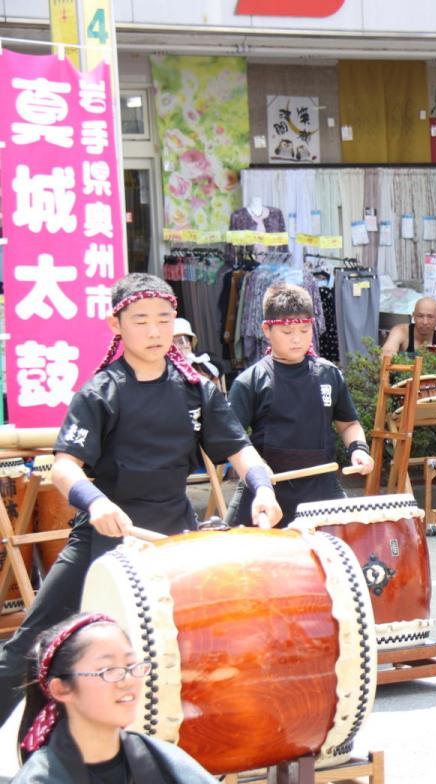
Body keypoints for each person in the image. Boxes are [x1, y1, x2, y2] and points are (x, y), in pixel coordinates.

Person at [0, 273, 283, 733]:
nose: (155, 331)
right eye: (141, 321)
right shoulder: (100, 392)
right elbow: (64, 466)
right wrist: (95, 503)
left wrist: (262, 487)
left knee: (197, 645)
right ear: (115, 324)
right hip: (103, 538)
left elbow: (240, 449)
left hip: (172, 538)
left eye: (164, 320)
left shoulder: (197, 388)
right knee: (31, 646)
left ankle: (202, 744)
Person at [4, 613, 230, 784]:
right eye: (108, 670)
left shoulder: (162, 760)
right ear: (62, 689)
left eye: (132, 665)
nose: (127, 679)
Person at [226, 283, 373, 527]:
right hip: (268, 489)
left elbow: (349, 424)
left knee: (347, 550)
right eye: (287, 332)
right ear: (267, 329)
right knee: (229, 551)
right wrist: (257, 477)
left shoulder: (328, 374)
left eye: (305, 330)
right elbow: (234, 441)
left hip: (322, 487)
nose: (297, 339)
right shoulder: (250, 381)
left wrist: (358, 449)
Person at [173, 317, 222, 387]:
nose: (177, 347)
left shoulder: (202, 362)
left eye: (181, 342)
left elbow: (213, 376)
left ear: (190, 344)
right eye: (172, 344)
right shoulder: (166, 368)